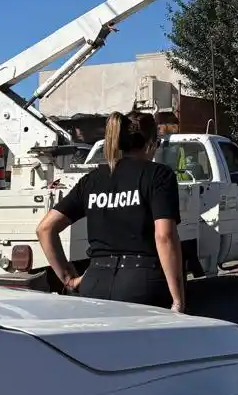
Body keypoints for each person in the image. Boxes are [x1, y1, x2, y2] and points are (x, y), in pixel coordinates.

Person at [36, 112, 186, 311]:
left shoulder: (92, 180)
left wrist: (68, 279)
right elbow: (164, 236)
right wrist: (178, 299)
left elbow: (45, 229)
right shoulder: (158, 175)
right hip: (143, 284)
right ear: (150, 143)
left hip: (95, 281)